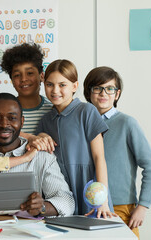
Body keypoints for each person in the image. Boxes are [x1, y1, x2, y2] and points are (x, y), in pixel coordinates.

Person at [83, 66, 151, 238]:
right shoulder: (82, 124)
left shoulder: (127, 123)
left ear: (117, 94)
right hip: (86, 205)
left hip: (120, 206)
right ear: (89, 93)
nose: (103, 93)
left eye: (109, 89)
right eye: (97, 88)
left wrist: (143, 206)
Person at [35, 59, 116, 218]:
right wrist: (41, 135)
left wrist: (102, 200)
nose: (55, 90)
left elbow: (99, 157)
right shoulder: (45, 121)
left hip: (90, 190)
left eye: (62, 85)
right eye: (49, 84)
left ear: (74, 86)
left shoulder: (87, 111)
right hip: (61, 191)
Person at [0, 43, 53, 135]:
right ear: (12, 80)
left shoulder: (53, 109)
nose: (23, 79)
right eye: (17, 75)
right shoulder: (4, 112)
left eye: (29, 73)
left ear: (41, 76)